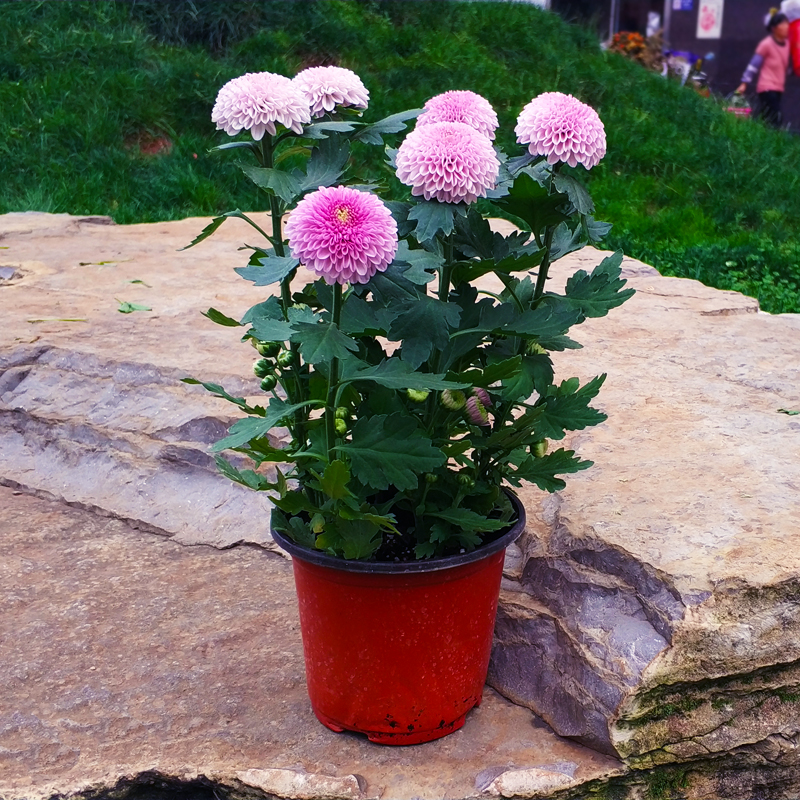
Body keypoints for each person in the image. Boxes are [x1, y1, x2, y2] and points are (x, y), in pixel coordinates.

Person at [736, 10, 791, 127]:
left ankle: (753, 132)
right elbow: (754, 64)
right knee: (775, 118)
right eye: (784, 24)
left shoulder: (787, 44)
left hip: (778, 88)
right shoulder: (766, 44)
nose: (787, 27)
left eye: (788, 23)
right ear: (774, 28)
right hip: (767, 87)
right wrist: (744, 82)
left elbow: (785, 66)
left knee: (765, 118)